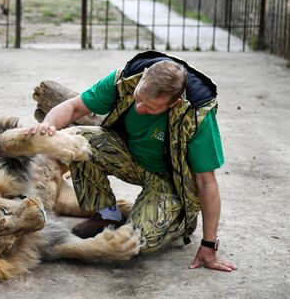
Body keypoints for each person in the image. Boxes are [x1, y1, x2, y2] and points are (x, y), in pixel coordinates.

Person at [26, 51, 236, 272]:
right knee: (79, 140)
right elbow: (74, 107)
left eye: (150, 107)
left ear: (173, 104)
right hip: (129, 156)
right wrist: (46, 127)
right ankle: (107, 215)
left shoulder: (197, 115)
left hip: (169, 181)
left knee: (133, 242)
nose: (139, 108)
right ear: (144, 76)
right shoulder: (126, 78)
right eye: (138, 98)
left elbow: (206, 182)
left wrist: (209, 245)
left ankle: (180, 219)